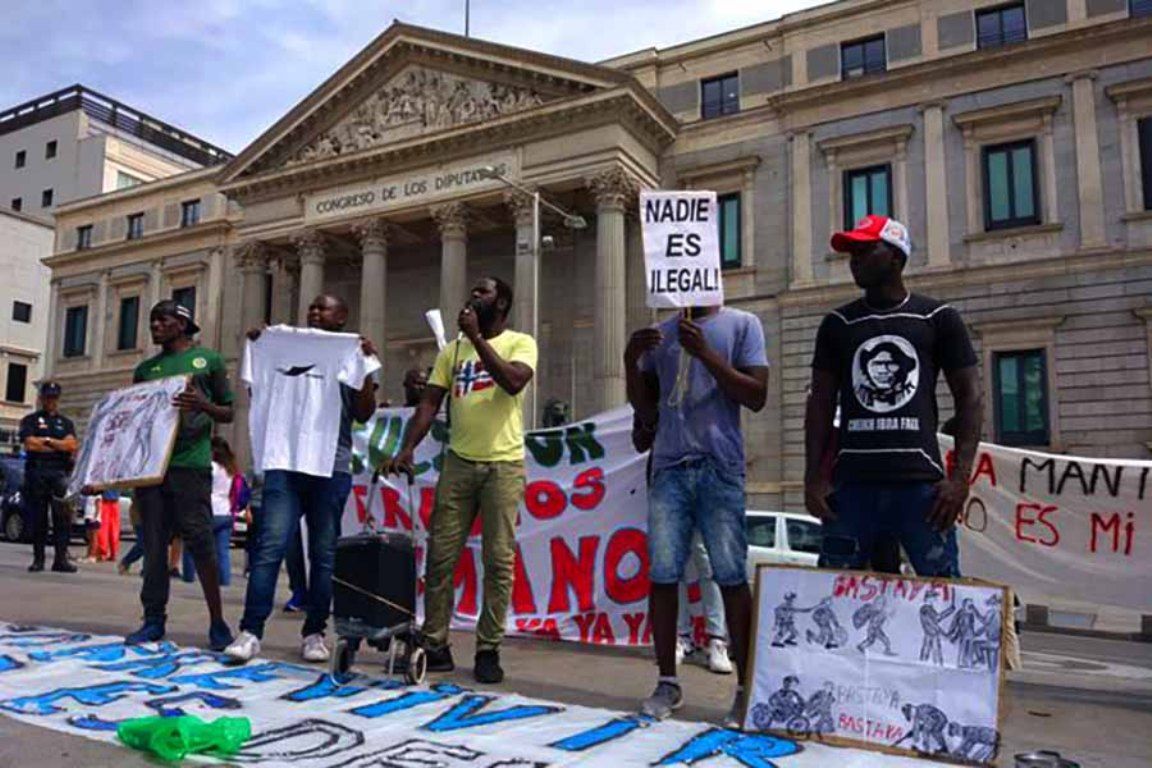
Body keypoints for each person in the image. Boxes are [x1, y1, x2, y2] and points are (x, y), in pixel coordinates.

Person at [804, 215, 982, 578]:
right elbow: (820, 403)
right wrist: (813, 478)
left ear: (897, 258)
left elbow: (971, 397)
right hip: (850, 488)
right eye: (852, 251)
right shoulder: (837, 324)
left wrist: (960, 478)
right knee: (835, 599)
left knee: (942, 596)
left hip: (921, 489)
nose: (855, 259)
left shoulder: (937, 317)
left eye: (866, 250)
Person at [383, 277, 537, 685]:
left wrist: (476, 339)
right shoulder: (452, 352)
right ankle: (436, 644)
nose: (473, 296)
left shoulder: (521, 342)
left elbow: (513, 381)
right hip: (458, 463)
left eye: (482, 292)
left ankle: (488, 648)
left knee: (498, 560)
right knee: (440, 555)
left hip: (503, 465)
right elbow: (430, 403)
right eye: (473, 291)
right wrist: (407, 447)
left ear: (501, 302)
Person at [625, 301, 769, 725]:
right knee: (664, 573)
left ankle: (744, 689)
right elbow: (646, 412)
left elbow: (756, 396)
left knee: (729, 574)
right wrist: (630, 361)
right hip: (669, 467)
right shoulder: (661, 333)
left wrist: (705, 353)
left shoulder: (745, 323)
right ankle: (667, 681)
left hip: (719, 465)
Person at [225, 294, 379, 664]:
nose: (314, 312)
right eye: (311, 307)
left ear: (342, 317)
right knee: (269, 548)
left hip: (331, 466)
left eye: (324, 307)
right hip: (285, 460)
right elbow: (254, 390)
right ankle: (250, 631)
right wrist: (261, 348)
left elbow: (363, 414)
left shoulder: (353, 352)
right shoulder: (277, 344)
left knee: (324, 556)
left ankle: (314, 632)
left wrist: (366, 371)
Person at [125, 300, 235, 651]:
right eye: (152, 319)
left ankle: (218, 621)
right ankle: (153, 620)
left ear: (183, 324)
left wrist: (202, 406)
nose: (155, 325)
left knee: (201, 544)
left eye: (163, 319)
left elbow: (229, 411)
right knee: (154, 546)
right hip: (153, 469)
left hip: (191, 466)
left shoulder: (209, 361)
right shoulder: (145, 369)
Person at [19, 381, 78, 573]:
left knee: (62, 518)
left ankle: (60, 559)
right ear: (41, 398)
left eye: (54, 397)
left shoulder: (66, 423)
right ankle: (39, 559)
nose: (51, 401)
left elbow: (71, 446)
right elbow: (30, 445)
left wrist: (46, 441)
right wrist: (56, 445)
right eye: (47, 397)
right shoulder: (30, 420)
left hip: (59, 472)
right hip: (37, 472)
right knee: (39, 518)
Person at [182, 437, 247, 588]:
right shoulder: (231, 470)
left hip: (208, 509)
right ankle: (224, 580)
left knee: (192, 545)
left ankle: (189, 576)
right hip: (226, 512)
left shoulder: (210, 467)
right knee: (222, 550)